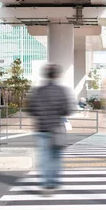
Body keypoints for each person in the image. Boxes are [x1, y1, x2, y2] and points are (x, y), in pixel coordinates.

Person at [26, 64, 74, 194]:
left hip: (42, 128)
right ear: (57, 75)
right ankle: (54, 182)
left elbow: (31, 109)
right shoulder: (61, 90)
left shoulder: (38, 91)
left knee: (44, 157)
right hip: (57, 128)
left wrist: (41, 114)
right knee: (56, 157)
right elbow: (67, 110)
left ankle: (46, 183)